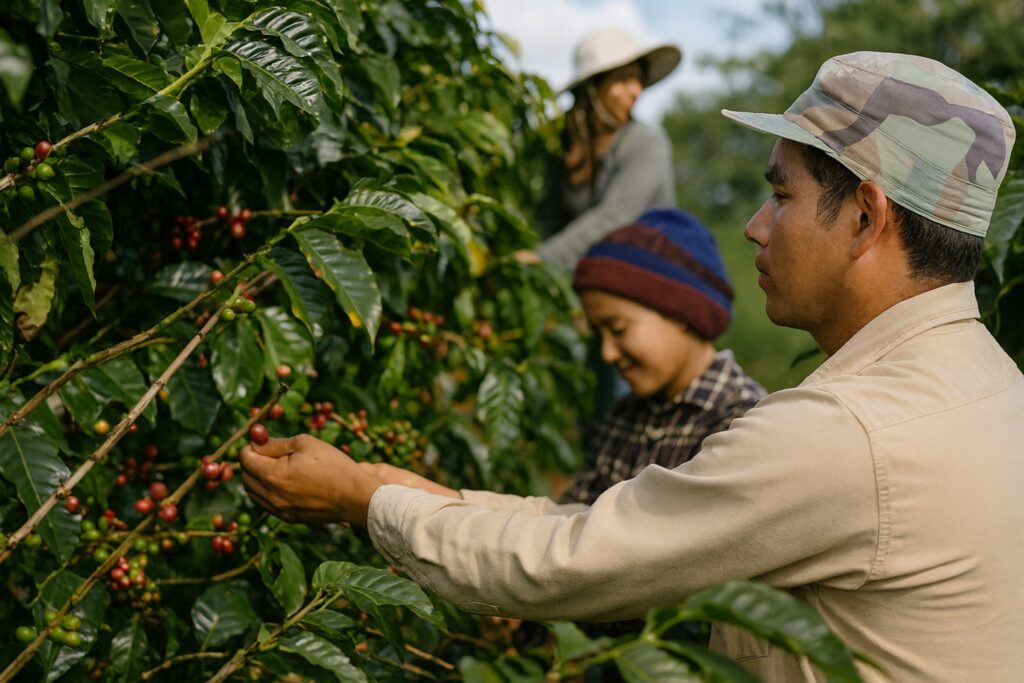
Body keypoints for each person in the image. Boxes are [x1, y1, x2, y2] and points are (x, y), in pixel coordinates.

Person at [240, 51, 1023, 682]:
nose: (754, 227)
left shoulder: (848, 434)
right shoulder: (997, 389)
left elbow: (574, 562)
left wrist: (360, 501)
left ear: (865, 215)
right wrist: (399, 488)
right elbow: (598, 525)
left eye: (780, 195)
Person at [559, 207, 765, 506]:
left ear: (681, 312)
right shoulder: (621, 419)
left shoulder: (741, 424)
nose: (607, 353)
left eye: (617, 329)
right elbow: (577, 516)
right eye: (598, 334)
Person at [515, 28, 681, 271]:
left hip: (651, 271)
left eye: (638, 80)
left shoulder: (646, 143)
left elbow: (615, 217)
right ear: (593, 88)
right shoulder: (567, 141)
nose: (635, 91)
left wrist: (543, 259)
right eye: (623, 80)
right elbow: (551, 216)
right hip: (592, 273)